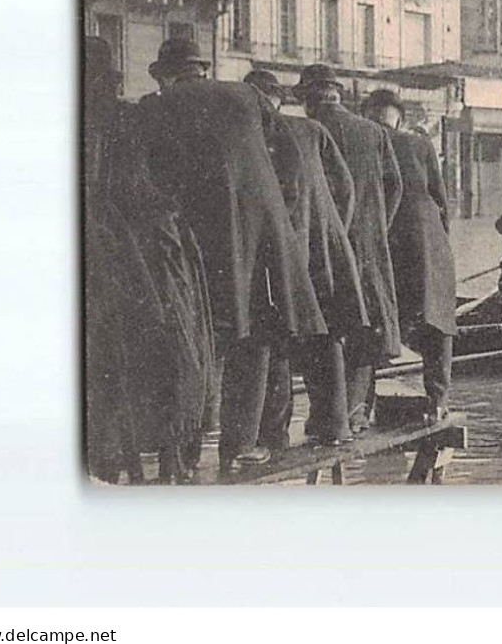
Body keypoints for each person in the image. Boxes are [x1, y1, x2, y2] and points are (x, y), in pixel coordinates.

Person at [139, 39, 324, 472]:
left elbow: (155, 172)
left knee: (200, 337)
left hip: (203, 236)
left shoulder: (159, 105)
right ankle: (239, 445)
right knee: (255, 331)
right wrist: (281, 207)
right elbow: (292, 157)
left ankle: (182, 455)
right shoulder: (246, 94)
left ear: (166, 75)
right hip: (262, 232)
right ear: (202, 69)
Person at [84, 38, 212, 483]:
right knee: (170, 340)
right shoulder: (130, 117)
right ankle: (171, 453)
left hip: (112, 249)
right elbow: (158, 182)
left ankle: (112, 455)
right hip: (145, 247)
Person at [243, 69, 368, 448]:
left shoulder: (263, 136)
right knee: (326, 334)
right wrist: (334, 234)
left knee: (278, 337)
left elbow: (285, 197)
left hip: (290, 252)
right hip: (327, 249)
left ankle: (274, 434)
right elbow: (345, 188)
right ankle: (334, 426)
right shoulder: (312, 129)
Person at [297, 67, 402, 433]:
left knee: (324, 330)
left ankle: (325, 415)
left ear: (307, 100)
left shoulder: (306, 132)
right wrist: (376, 229)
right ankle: (357, 412)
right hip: (369, 247)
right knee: (366, 327)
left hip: (324, 248)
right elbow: (395, 187)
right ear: (338, 95)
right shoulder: (373, 132)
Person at [362, 88, 456, 421]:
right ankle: (437, 401)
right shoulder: (419, 144)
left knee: (374, 319)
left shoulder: (367, 143)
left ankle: (363, 406)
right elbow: (442, 200)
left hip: (389, 240)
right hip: (429, 238)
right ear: (398, 117)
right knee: (437, 321)